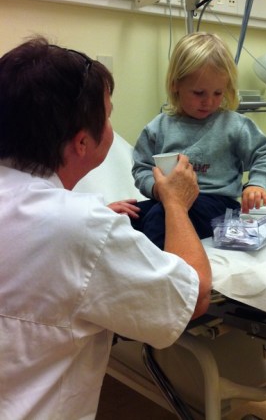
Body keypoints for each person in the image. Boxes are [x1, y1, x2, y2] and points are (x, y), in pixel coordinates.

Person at [0, 37, 212, 420]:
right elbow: (193, 297)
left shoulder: (69, 218)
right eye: (109, 116)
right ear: (82, 142)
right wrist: (176, 204)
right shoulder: (80, 226)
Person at [131, 32, 266, 249]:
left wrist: (256, 184)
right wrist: (157, 189)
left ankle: (166, 266)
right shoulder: (158, 127)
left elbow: (265, 155)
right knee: (127, 217)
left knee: (159, 218)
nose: (208, 101)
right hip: (167, 200)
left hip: (218, 205)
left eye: (218, 93)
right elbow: (142, 168)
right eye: (199, 92)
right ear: (175, 84)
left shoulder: (233, 125)